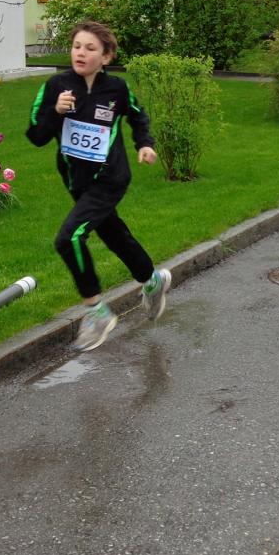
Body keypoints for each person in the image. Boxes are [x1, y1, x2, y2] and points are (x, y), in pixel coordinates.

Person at [26, 21, 172, 351]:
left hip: (111, 177)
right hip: (76, 181)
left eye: (90, 48)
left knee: (68, 239)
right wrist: (56, 111)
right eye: (77, 46)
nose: (81, 53)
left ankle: (96, 311)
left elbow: (138, 115)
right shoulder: (56, 86)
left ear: (106, 57)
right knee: (114, 234)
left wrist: (144, 144)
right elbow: (35, 136)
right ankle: (152, 281)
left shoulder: (117, 88)